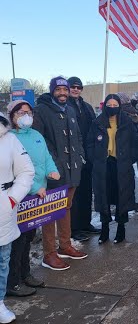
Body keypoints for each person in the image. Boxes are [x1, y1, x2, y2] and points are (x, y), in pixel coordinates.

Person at [33, 76, 87, 270]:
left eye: (65, 90)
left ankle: (65, 245)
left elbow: (78, 136)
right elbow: (39, 141)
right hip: (53, 172)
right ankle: (49, 254)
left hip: (72, 170)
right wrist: (54, 164)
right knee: (50, 212)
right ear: (52, 90)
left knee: (65, 207)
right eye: (59, 90)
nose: (63, 93)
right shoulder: (41, 111)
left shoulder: (70, 110)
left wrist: (80, 156)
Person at [5, 101, 59, 297]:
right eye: (20, 112)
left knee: (28, 238)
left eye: (28, 112)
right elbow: (15, 168)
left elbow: (46, 157)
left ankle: (25, 274)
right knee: (16, 240)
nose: (25, 116)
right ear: (12, 116)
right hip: (19, 195)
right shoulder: (9, 138)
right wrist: (36, 187)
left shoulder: (36, 135)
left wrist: (52, 170)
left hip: (38, 194)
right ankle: (13, 282)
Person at [87, 94, 136, 244]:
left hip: (121, 165)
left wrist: (129, 158)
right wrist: (94, 158)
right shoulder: (97, 123)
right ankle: (105, 229)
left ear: (120, 106)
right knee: (104, 196)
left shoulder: (127, 122)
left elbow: (135, 142)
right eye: (110, 105)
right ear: (104, 106)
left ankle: (121, 229)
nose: (112, 108)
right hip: (103, 165)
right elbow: (89, 143)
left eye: (115, 105)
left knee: (122, 196)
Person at [0, 112, 34, 323]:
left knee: (2, 260)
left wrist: (12, 198)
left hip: (2, 207)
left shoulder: (9, 138)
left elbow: (26, 171)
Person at [67, 76, 99, 242]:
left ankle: (86, 223)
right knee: (75, 194)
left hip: (88, 155)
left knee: (87, 191)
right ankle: (75, 228)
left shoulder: (86, 107)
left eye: (78, 87)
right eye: (72, 86)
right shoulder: (65, 106)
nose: (75, 89)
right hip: (73, 156)